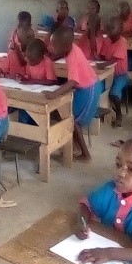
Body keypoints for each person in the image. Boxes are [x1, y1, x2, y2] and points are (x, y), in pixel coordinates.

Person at [44, 26, 102, 162]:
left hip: (89, 89)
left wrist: (55, 94)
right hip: (85, 87)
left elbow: (72, 81)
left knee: (73, 121)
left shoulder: (72, 57)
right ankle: (74, 147)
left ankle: (86, 154)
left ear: (64, 46)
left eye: (54, 45)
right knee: (70, 117)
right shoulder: (71, 48)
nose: (51, 47)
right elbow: (62, 52)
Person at [97, 17, 128, 128]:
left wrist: (103, 64)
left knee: (113, 94)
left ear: (120, 29)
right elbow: (103, 56)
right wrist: (97, 58)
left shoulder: (122, 41)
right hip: (107, 74)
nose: (109, 30)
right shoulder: (107, 40)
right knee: (96, 89)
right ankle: (98, 114)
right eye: (108, 27)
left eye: (112, 28)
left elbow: (114, 60)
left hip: (120, 75)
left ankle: (119, 115)